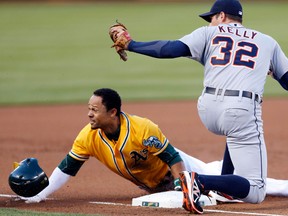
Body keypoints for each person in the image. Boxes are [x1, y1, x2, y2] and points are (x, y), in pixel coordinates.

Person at [109, 0, 288, 214]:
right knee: (256, 190)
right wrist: (268, 70)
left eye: (211, 17)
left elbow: (170, 49)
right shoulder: (267, 42)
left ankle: (225, 188)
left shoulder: (208, 34)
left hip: (207, 108)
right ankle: (196, 180)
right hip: (240, 109)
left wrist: (131, 44)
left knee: (235, 132)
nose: (211, 22)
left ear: (221, 16)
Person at [18, 88, 288, 207]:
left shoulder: (142, 128)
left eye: (94, 109)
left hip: (183, 170)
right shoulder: (88, 136)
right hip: (159, 183)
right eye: (88, 108)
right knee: (225, 176)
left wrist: (186, 185)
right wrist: (41, 195)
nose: (89, 114)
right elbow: (68, 167)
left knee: (239, 187)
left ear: (112, 112)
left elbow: (172, 157)